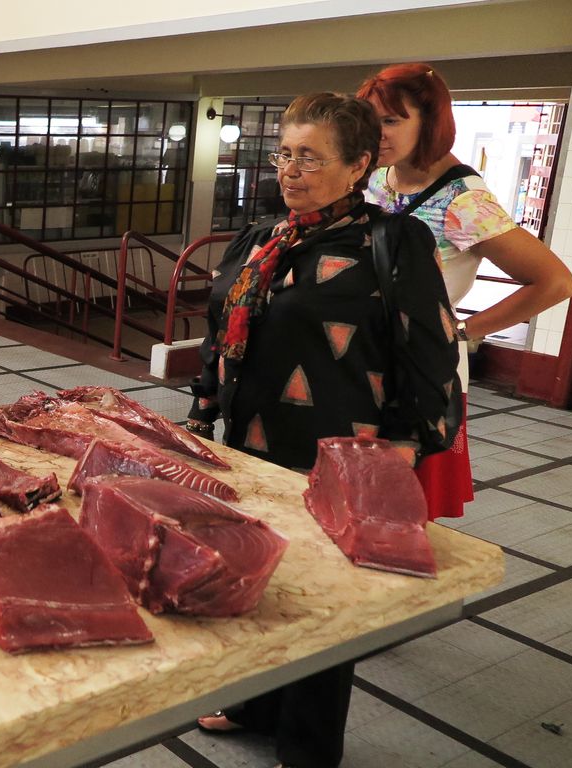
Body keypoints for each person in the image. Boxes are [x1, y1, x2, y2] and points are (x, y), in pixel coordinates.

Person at [187, 93, 462, 767]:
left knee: (324, 602)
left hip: (340, 450)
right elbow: (218, 334)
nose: (291, 169)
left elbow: (430, 355)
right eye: (285, 152)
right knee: (259, 577)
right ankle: (255, 702)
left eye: (311, 156)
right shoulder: (262, 239)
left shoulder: (390, 242)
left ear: (358, 165)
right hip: (251, 445)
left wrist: (405, 445)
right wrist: (200, 414)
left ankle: (307, 748)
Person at [358, 62, 572, 519]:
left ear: (430, 123)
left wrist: (463, 331)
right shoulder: (380, 178)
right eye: (370, 118)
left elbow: (556, 282)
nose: (376, 132)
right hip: (365, 355)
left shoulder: (463, 199)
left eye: (392, 120)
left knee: (406, 509)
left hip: (421, 367)